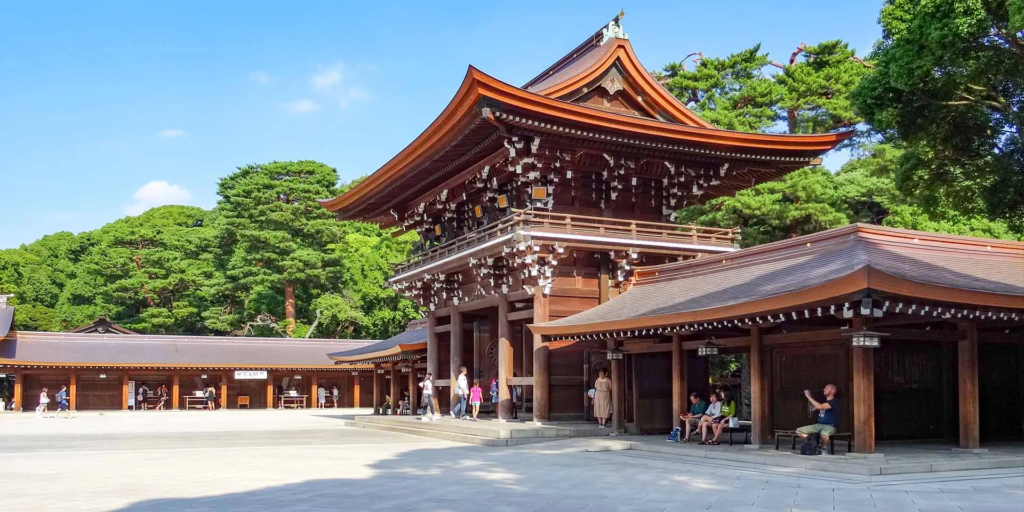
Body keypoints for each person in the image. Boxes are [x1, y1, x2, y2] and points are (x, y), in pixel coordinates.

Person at [797, 384, 838, 455]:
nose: (824, 389)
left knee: (824, 433)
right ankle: (814, 444)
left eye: (827, 388)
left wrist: (808, 396)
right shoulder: (824, 402)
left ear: (832, 391)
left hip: (830, 426)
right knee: (799, 431)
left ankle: (823, 449)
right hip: (819, 425)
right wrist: (810, 398)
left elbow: (819, 406)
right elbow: (812, 409)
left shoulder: (833, 402)